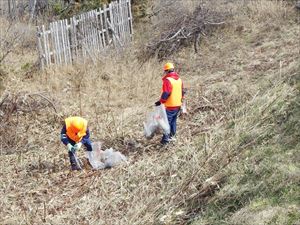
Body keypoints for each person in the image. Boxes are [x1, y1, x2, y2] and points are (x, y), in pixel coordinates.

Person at [155, 62, 185, 145]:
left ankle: (165, 140)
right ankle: (172, 136)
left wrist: (161, 101)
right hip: (178, 105)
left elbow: (166, 93)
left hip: (170, 106)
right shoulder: (179, 80)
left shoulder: (168, 80)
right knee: (173, 121)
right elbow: (182, 92)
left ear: (167, 71)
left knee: (166, 123)